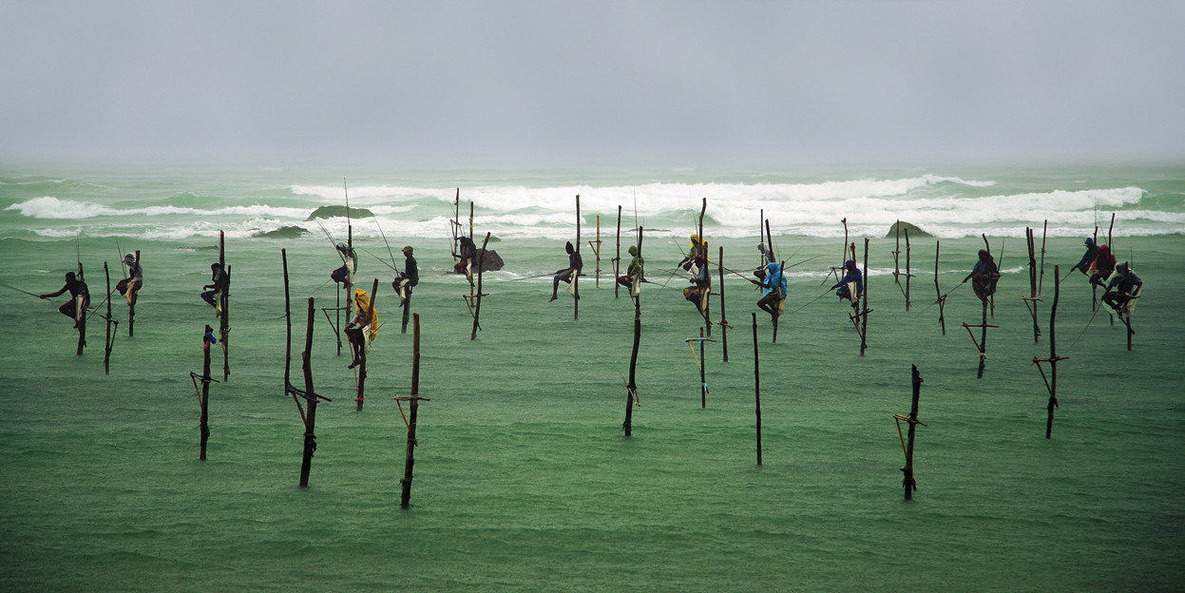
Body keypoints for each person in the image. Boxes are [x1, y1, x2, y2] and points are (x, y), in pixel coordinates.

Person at [345, 288, 378, 369]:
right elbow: (355, 320)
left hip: (368, 332)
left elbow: (370, 324)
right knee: (351, 333)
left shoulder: (371, 311)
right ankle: (356, 358)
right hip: (361, 330)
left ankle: (358, 358)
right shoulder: (359, 311)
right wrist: (348, 326)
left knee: (355, 334)